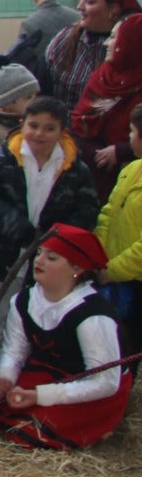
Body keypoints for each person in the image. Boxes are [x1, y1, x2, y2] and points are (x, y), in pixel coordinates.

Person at [0, 226, 131, 449]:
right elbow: (14, 349)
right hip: (45, 373)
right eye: (39, 252)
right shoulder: (24, 301)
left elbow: (105, 382)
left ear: (76, 268)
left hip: (86, 391)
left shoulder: (92, 317)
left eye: (52, 257)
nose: (39, 261)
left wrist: (42, 395)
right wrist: (4, 376)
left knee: (30, 429)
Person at [0, 96, 100, 292]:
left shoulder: (76, 170)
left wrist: (55, 239)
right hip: (4, 256)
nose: (39, 134)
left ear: (62, 131)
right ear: (22, 124)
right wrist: (18, 228)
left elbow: (87, 212)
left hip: (53, 262)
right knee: (1, 313)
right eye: (34, 125)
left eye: (49, 128)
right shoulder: (0, 161)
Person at [71, 12, 142, 199]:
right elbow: (81, 123)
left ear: (132, 43)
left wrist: (123, 151)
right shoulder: (104, 76)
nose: (106, 43)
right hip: (97, 180)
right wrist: (97, 154)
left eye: (114, 38)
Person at [43, 0, 138, 108]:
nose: (79, 6)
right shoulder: (64, 39)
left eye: (90, 2)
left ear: (114, 10)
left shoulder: (134, 45)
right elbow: (43, 89)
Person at [95, 105, 142, 348]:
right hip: (113, 270)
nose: (128, 137)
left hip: (132, 278)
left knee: (132, 340)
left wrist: (111, 271)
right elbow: (109, 212)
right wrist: (99, 253)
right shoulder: (132, 169)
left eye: (132, 132)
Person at [10, 0, 78, 69]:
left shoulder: (29, 23)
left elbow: (21, 54)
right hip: (75, 72)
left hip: (45, 76)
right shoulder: (77, 16)